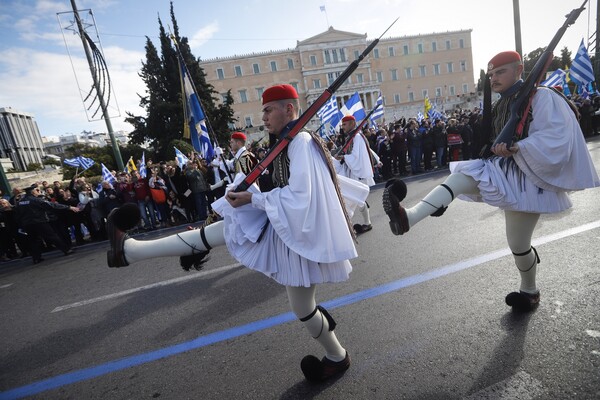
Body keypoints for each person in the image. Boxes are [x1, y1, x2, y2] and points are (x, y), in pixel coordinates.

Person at [106, 84, 369, 383]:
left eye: (269, 110)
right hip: (289, 227)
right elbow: (284, 189)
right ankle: (128, 251)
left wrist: (253, 199)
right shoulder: (287, 142)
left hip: (299, 233)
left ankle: (337, 357)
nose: (264, 116)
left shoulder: (301, 142)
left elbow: (301, 197)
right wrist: (253, 193)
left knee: (302, 306)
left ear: (289, 109)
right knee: (226, 235)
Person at [382, 50, 600, 312]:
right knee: (463, 175)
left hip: (531, 176)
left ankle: (530, 291)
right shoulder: (499, 106)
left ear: (519, 70)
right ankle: (409, 217)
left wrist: (519, 147)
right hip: (502, 171)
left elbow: (556, 137)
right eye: (492, 74)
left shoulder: (541, 96)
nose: (494, 78)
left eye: (501, 72)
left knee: (518, 245)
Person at [14, 184, 80, 264]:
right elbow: (52, 205)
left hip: (27, 224)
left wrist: (21, 225)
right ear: (33, 192)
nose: (38, 192)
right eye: (37, 190)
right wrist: (69, 207)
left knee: (33, 240)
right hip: (39, 222)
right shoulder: (36, 200)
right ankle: (66, 249)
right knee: (52, 236)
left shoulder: (21, 202)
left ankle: (36, 258)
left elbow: (17, 215)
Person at [333, 114, 375, 234]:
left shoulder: (357, 137)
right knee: (356, 199)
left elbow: (356, 156)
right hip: (352, 171)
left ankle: (346, 227)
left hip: (357, 172)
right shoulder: (351, 137)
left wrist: (343, 157)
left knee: (353, 199)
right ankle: (365, 223)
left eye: (345, 124)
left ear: (352, 123)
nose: (343, 127)